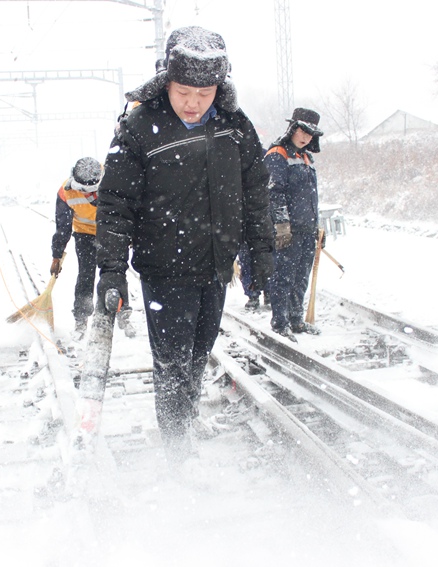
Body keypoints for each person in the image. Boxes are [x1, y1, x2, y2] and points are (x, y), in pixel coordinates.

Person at [92, 26, 274, 464]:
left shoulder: (235, 125)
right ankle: (177, 451)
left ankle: (186, 420)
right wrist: (112, 270)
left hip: (215, 266)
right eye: (183, 91)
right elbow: (115, 204)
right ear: (166, 84)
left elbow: (255, 189)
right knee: (172, 365)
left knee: (198, 354)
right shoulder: (138, 128)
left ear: (219, 88)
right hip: (165, 270)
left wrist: (260, 250)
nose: (193, 102)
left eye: (204, 92)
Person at [265, 108, 325, 341]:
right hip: (288, 230)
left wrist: (317, 227)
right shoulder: (277, 154)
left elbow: (312, 196)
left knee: (301, 275)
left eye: (310, 134)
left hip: (307, 229)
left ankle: (296, 319)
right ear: (292, 129)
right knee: (283, 276)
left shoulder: (307, 158)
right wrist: (282, 226)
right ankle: (280, 322)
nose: (305, 137)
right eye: (302, 131)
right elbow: (274, 193)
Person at [49, 157, 104, 340]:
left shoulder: (113, 177)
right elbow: (63, 227)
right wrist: (56, 256)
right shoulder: (66, 193)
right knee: (86, 275)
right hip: (84, 235)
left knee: (113, 274)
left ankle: (120, 314)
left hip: (110, 231)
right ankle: (81, 319)